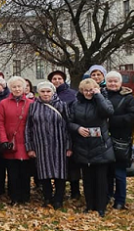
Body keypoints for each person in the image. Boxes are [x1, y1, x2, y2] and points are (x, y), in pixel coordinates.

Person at [68, 79, 115, 217]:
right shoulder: (76, 104)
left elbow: (108, 112)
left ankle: (101, 207)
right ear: (81, 91)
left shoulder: (102, 101)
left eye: (91, 90)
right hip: (83, 145)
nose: (88, 93)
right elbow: (69, 122)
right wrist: (78, 129)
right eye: (86, 90)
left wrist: (98, 96)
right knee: (87, 179)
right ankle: (89, 205)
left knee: (101, 179)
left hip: (100, 146)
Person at [25, 82, 71, 209]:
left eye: (48, 91)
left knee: (60, 173)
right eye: (43, 91)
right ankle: (47, 197)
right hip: (41, 145)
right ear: (38, 93)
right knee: (44, 173)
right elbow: (28, 128)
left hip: (59, 144)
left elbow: (68, 126)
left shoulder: (62, 105)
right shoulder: (34, 106)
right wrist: (30, 147)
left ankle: (58, 199)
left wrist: (69, 146)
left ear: (53, 92)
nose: (46, 94)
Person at [105, 71, 134, 210]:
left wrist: (113, 121)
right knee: (106, 172)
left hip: (121, 139)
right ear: (106, 83)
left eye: (115, 81)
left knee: (119, 173)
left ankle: (120, 200)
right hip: (103, 139)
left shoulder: (128, 98)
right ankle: (107, 196)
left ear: (120, 83)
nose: (113, 84)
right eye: (110, 81)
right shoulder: (101, 96)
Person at [0, 77, 33, 204]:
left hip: (25, 141)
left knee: (24, 171)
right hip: (10, 142)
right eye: (14, 87)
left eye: (19, 87)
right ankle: (14, 196)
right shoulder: (3, 103)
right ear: (10, 88)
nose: (17, 89)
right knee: (12, 171)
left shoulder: (30, 103)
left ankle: (25, 196)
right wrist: (3, 140)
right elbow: (0, 123)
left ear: (23, 88)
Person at [48, 70, 79, 198]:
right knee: (55, 163)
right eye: (54, 79)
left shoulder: (72, 94)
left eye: (59, 78)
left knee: (71, 164)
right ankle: (58, 190)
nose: (57, 81)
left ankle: (75, 191)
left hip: (68, 132)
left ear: (64, 80)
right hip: (52, 135)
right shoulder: (47, 94)